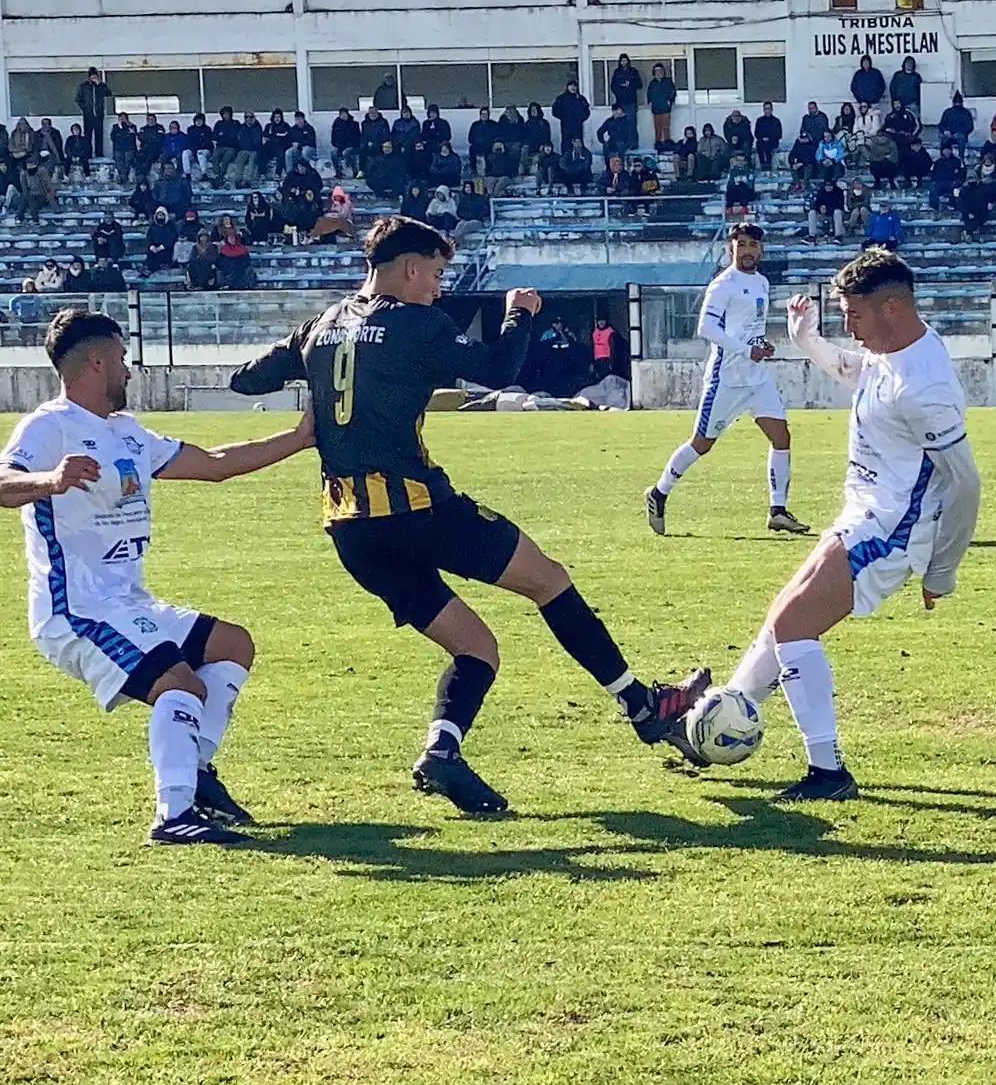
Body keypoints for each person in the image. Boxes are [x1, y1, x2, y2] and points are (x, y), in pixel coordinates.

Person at [230, 216, 708, 812]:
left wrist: (316, 401)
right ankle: (642, 706)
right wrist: (520, 312)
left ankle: (442, 753)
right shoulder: (417, 323)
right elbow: (500, 369)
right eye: (434, 274)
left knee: (477, 648)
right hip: (419, 511)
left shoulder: (319, 326)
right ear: (408, 270)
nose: (437, 288)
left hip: (350, 531)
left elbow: (244, 380)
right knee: (550, 581)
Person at [0, 309, 315, 844]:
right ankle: (174, 817)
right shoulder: (49, 425)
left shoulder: (127, 432)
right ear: (96, 362)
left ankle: (194, 772)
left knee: (232, 645)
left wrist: (302, 437)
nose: (130, 370)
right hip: (75, 609)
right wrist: (49, 479)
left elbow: (214, 463)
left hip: (127, 602)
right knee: (180, 684)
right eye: (123, 359)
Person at [676, 254, 980, 799]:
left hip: (891, 532)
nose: (849, 326)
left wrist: (943, 570)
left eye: (854, 315)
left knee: (795, 626)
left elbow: (966, 483)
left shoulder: (924, 384)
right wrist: (807, 339)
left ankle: (829, 773)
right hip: (862, 515)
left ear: (891, 308)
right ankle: (726, 718)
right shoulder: (888, 349)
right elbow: (854, 370)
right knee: (784, 611)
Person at [646, 224, 809, 539]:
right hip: (727, 379)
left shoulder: (761, 282)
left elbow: (746, 327)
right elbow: (707, 329)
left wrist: (761, 347)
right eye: (742, 244)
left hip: (755, 377)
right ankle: (659, 493)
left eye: (753, 245)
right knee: (702, 444)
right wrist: (748, 350)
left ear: (761, 249)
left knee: (781, 436)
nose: (747, 251)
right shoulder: (723, 285)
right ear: (730, 248)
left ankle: (778, 511)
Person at [74, 68, 110, 159]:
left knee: (99, 136)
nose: (93, 78)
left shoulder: (101, 86)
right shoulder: (84, 86)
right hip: (88, 115)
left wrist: (99, 84)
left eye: (95, 76)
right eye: (92, 77)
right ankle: (88, 155)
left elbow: (108, 93)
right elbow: (78, 99)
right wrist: (85, 109)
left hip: (98, 115)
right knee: (87, 136)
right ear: (89, 77)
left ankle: (99, 155)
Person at [551, 77, 590, 150]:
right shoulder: (562, 98)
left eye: (575, 86)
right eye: (571, 85)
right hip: (566, 126)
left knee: (579, 145)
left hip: (578, 126)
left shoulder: (581, 99)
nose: (573, 88)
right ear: (567, 87)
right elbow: (555, 110)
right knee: (566, 146)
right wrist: (564, 117)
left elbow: (587, 111)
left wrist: (580, 119)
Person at [610, 55, 643, 139]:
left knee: (632, 123)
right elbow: (613, 86)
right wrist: (620, 90)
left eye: (625, 60)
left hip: (631, 102)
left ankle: (633, 143)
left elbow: (639, 85)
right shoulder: (617, 72)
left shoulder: (633, 71)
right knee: (621, 123)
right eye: (622, 61)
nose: (624, 62)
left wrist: (630, 85)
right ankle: (623, 143)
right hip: (620, 102)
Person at [647, 63, 677, 150]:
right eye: (656, 71)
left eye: (660, 71)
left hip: (665, 108)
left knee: (666, 127)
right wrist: (650, 102)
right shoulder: (652, 83)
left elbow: (673, 92)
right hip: (656, 109)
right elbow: (649, 94)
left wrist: (669, 100)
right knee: (657, 127)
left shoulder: (668, 82)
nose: (658, 73)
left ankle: (667, 142)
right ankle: (658, 143)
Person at [938, 92, 973, 160]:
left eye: (959, 102)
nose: (957, 104)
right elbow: (941, 125)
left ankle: (961, 157)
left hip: (961, 135)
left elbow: (970, 126)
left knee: (961, 138)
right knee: (944, 139)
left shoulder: (966, 113)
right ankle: (944, 157)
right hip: (948, 134)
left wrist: (960, 133)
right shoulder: (947, 112)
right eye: (956, 102)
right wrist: (945, 131)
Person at [754, 102, 783, 169]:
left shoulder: (776, 121)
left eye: (769, 108)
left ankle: (768, 165)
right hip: (762, 141)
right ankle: (763, 165)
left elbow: (779, 134)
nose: (767, 110)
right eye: (766, 109)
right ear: (764, 110)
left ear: (772, 109)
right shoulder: (759, 120)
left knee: (767, 147)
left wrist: (770, 138)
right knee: (760, 145)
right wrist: (762, 138)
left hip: (773, 141)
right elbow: (756, 133)